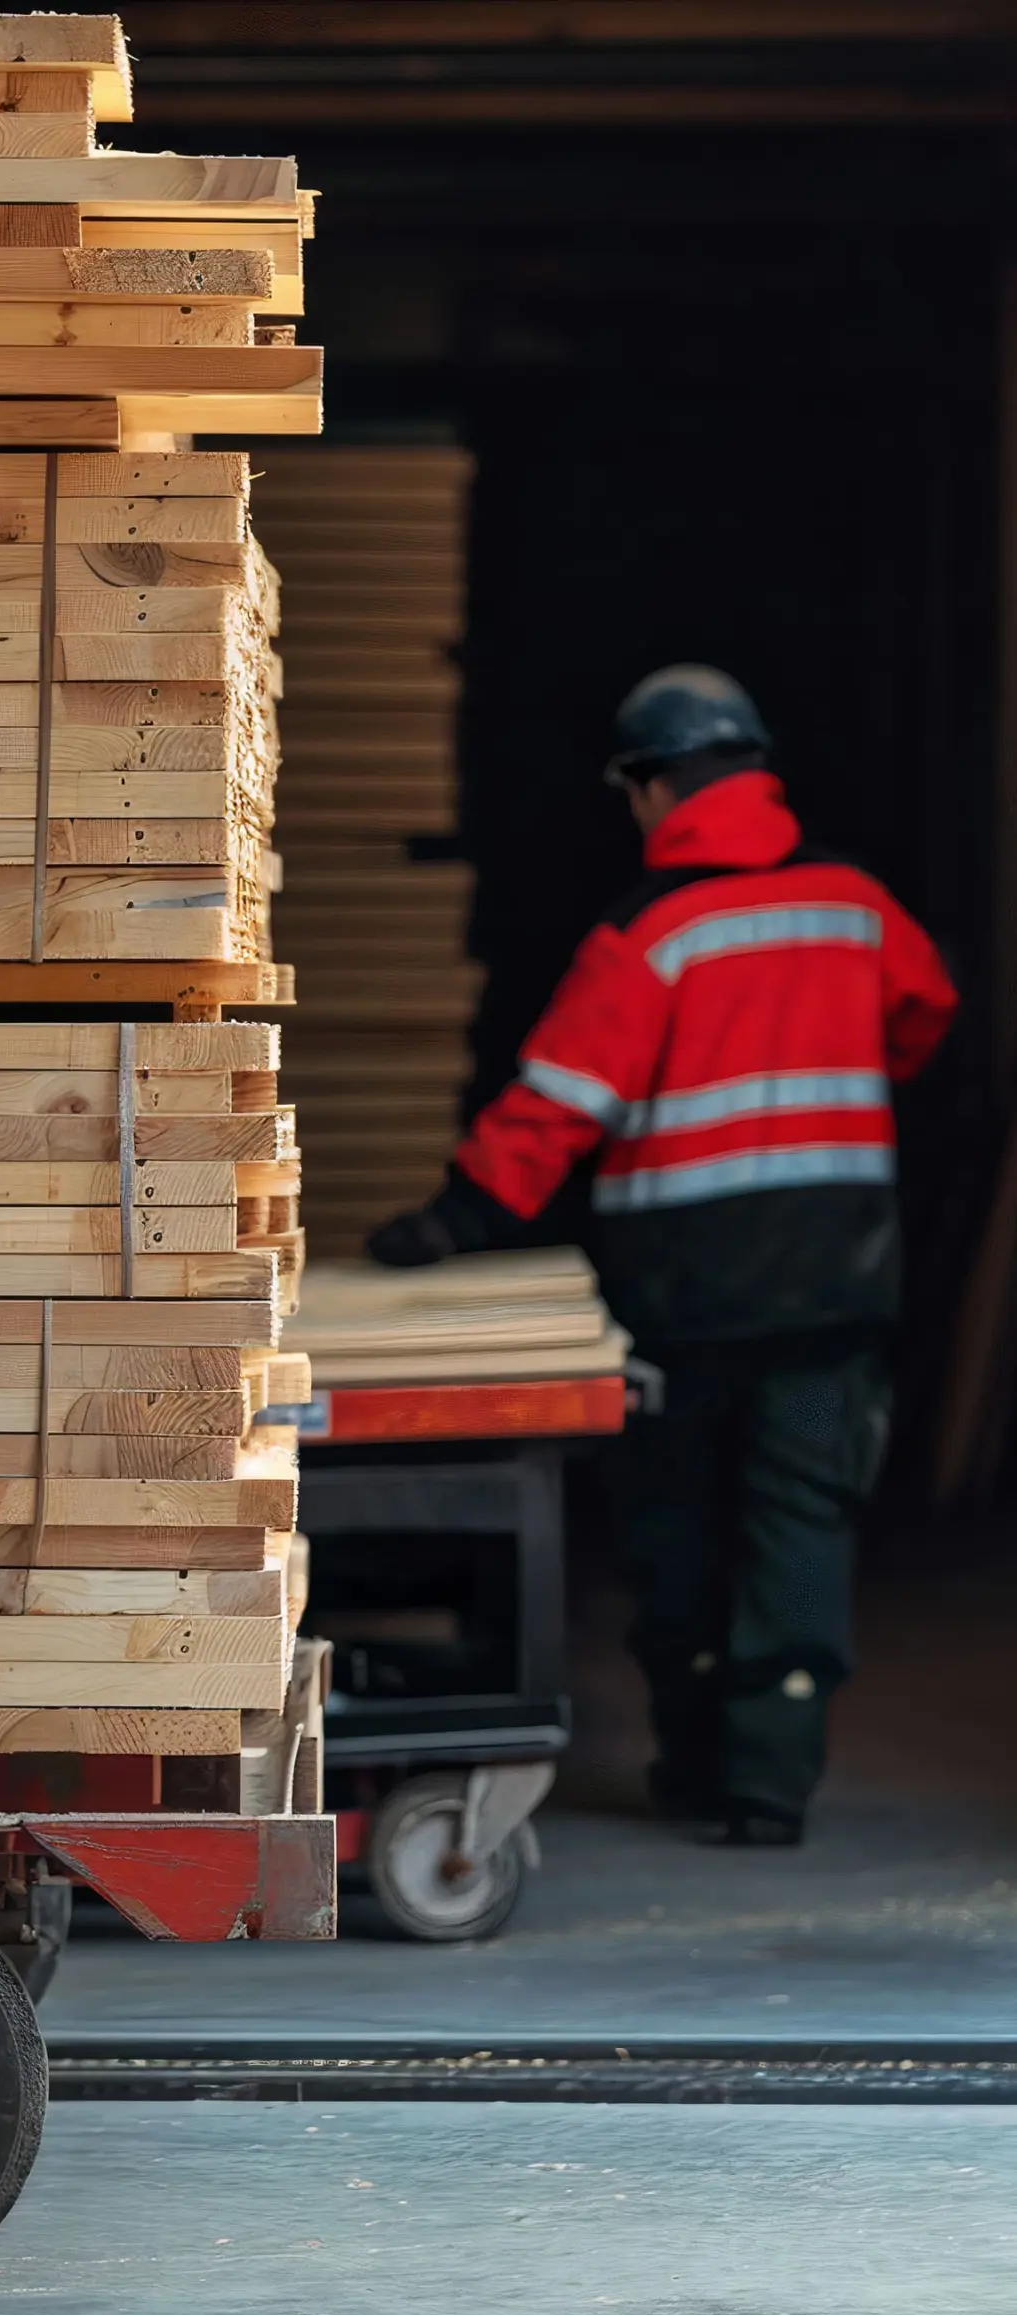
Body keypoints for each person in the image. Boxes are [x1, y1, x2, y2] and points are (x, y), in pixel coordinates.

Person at [367, 665, 958, 1844]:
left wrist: (450, 1224)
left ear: (649, 788)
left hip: (686, 1297)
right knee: (802, 1522)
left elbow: (555, 1112)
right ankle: (769, 1791)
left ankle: (693, 1768)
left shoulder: (651, 935)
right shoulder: (857, 907)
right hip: (838, 1281)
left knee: (677, 1532)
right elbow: (924, 1013)